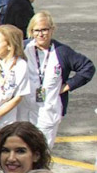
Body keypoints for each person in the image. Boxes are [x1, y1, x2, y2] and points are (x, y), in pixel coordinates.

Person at [23, 10, 95, 146]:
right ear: (31, 31)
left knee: (42, 152)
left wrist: (67, 86)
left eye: (44, 30)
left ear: (52, 30)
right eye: (36, 30)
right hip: (24, 112)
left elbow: (88, 68)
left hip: (49, 112)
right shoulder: (23, 48)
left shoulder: (62, 51)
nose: (40, 34)